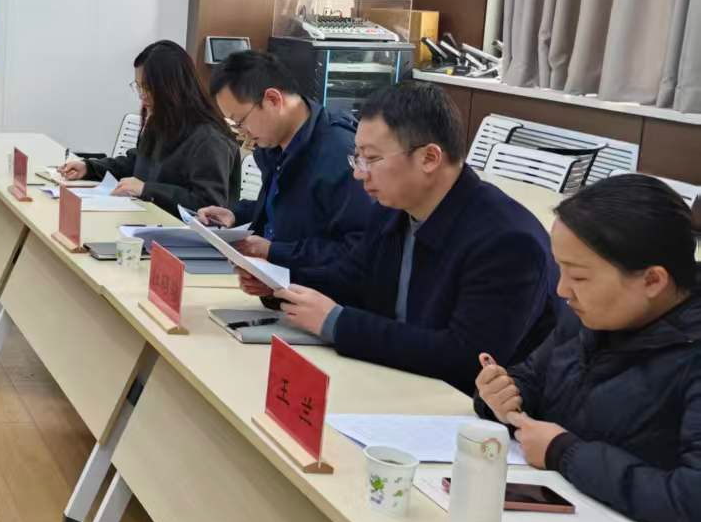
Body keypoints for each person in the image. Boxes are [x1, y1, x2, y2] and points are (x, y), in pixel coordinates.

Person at [239, 80, 558, 394]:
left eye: (371, 159)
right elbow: (352, 279)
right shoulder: (393, 210)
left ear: (429, 158)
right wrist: (280, 283)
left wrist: (338, 323)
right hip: (395, 382)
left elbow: (465, 358)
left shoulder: (508, 241)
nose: (358, 173)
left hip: (460, 408)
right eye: (357, 157)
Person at [476, 175, 701, 522]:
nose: (562, 290)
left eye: (579, 277)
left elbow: (692, 502)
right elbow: (533, 376)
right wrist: (503, 394)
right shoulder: (590, 316)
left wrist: (564, 453)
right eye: (560, 269)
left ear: (653, 281)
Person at [196, 50, 375, 275]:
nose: (242, 132)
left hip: (314, 291)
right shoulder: (273, 146)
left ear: (273, 100)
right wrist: (236, 216)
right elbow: (285, 213)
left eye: (240, 121)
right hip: (272, 281)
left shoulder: (339, 153)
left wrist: (274, 252)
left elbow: (359, 249)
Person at [59, 39, 239, 216]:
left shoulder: (210, 139)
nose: (142, 96)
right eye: (139, 87)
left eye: (148, 87)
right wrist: (89, 168)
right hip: (147, 219)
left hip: (181, 231)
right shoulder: (161, 119)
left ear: (172, 87)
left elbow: (208, 205)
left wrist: (146, 189)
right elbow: (136, 164)